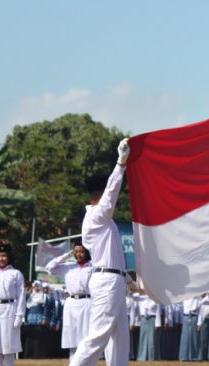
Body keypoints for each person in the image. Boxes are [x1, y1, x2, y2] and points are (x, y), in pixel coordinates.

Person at [70, 138, 132, 366]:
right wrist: (121, 164)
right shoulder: (98, 216)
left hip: (113, 277)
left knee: (120, 339)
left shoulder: (103, 220)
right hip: (107, 280)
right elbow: (112, 192)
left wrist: (128, 280)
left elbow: (110, 257)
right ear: (100, 192)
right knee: (99, 335)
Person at [45, 242, 93, 359]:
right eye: (76, 252)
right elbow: (49, 267)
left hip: (87, 302)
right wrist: (66, 256)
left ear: (86, 252)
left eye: (81, 251)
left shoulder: (92, 267)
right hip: (71, 303)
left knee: (86, 338)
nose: (79, 254)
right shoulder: (68, 267)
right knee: (72, 339)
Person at [136, 294, 161, 361]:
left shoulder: (155, 297)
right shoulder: (140, 297)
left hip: (152, 318)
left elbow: (158, 311)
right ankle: (142, 357)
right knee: (143, 338)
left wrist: (157, 323)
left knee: (151, 340)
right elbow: (132, 294)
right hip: (143, 319)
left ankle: (151, 357)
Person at [179, 295, 201, 361]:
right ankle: (183, 356)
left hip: (194, 317)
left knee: (194, 337)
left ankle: (194, 357)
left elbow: (200, 312)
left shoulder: (198, 298)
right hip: (186, 317)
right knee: (185, 337)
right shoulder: (184, 297)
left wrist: (199, 323)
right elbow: (181, 308)